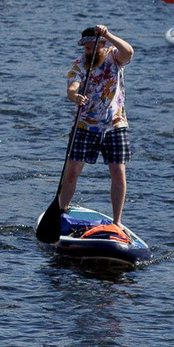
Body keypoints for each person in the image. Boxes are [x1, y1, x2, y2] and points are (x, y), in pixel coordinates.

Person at [54, 23, 134, 222]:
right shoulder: (79, 64)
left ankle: (117, 222)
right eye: (86, 48)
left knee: (118, 173)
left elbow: (129, 52)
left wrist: (109, 34)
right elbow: (72, 87)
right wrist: (74, 96)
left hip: (115, 124)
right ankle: (61, 212)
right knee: (72, 171)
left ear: (102, 46)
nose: (88, 52)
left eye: (92, 48)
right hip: (85, 124)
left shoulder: (114, 57)